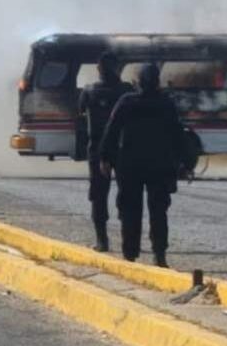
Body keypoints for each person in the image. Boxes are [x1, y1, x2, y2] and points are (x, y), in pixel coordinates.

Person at [99, 63, 183, 268]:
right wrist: (186, 162)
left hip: (129, 165)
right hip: (159, 165)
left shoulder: (127, 102)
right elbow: (178, 135)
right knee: (158, 211)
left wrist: (105, 158)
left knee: (129, 210)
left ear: (139, 82)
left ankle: (130, 254)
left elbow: (111, 131)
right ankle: (159, 254)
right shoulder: (166, 103)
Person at [77, 51, 133, 252]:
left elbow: (80, 113)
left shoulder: (89, 90)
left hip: (99, 150)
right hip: (122, 149)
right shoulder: (127, 91)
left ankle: (102, 241)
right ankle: (128, 240)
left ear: (98, 69)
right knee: (127, 195)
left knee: (99, 195)